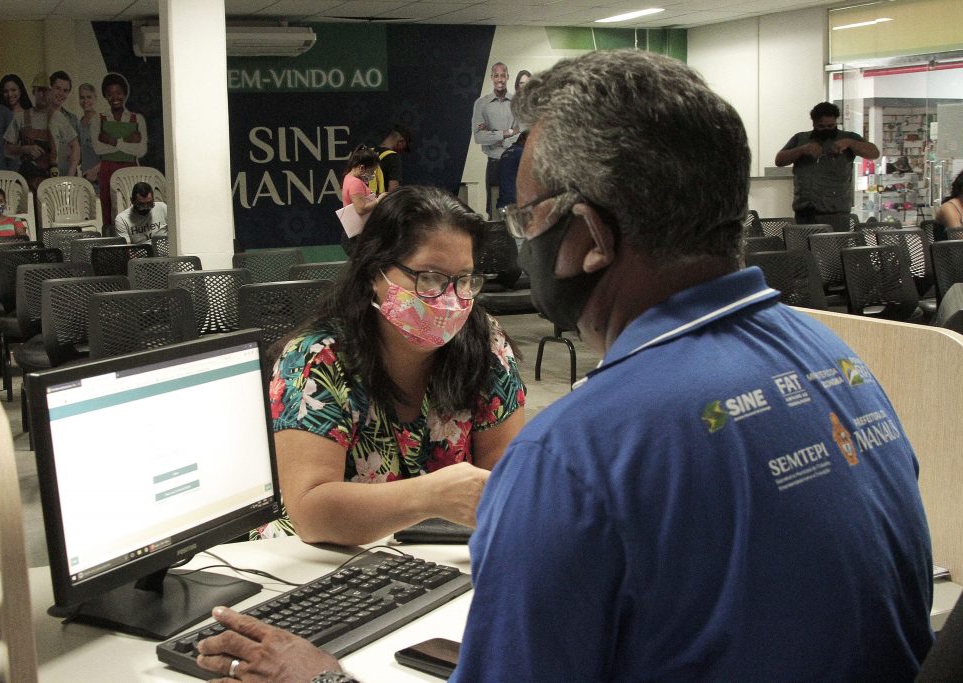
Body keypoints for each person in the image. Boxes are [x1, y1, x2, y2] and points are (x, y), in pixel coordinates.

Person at [196, 50, 934, 683]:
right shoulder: (837, 362)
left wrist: (325, 674)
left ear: (586, 235)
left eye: (525, 218)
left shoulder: (580, 451)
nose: (518, 247)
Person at [251, 184, 525, 546]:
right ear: (373, 273)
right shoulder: (317, 358)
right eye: (428, 278)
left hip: (437, 558)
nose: (450, 298)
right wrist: (429, 496)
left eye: (463, 280)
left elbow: (503, 483)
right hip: (316, 561)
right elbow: (310, 511)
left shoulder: (483, 343)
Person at [775, 101, 879, 231]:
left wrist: (851, 143)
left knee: (835, 248)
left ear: (836, 122)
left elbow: (874, 153)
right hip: (805, 210)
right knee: (804, 249)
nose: (826, 130)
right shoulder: (800, 138)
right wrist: (801, 150)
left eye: (831, 126)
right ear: (813, 123)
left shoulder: (848, 137)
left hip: (836, 211)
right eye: (821, 126)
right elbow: (779, 160)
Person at [91, 72, 148, 229]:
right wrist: (128, 141)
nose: (114, 97)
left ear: (125, 94)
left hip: (130, 168)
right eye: (110, 94)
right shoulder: (99, 118)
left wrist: (112, 140)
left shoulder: (137, 119)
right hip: (107, 168)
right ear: (105, 96)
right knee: (108, 207)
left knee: (131, 206)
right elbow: (98, 148)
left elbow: (140, 150)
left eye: (118, 93)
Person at [3, 72, 74, 193]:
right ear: (33, 91)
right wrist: (25, 149)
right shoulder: (21, 118)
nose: (44, 94)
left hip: (53, 180)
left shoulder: (58, 117)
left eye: (47, 90)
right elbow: (6, 149)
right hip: (27, 179)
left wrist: (71, 175)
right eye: (40, 90)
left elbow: (75, 146)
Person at [472, 62, 519, 219]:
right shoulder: (481, 104)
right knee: (494, 213)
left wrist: (493, 134)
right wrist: (507, 133)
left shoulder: (516, 103)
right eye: (496, 75)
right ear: (491, 77)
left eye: (503, 75)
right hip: (494, 164)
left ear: (508, 77)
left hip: (513, 165)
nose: (500, 79)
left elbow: (521, 134)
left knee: (515, 212)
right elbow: (479, 137)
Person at [46, 71, 81, 177]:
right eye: (58, 88)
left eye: (65, 90)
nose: (61, 93)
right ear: (50, 88)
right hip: (44, 178)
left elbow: (78, 151)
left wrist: (70, 176)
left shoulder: (73, 119)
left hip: (68, 178)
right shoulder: (38, 115)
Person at [368, 124, 411, 195]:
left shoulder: (367, 152)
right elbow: (393, 190)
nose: (402, 151)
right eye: (404, 147)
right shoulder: (393, 157)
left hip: (363, 203)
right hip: (380, 204)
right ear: (400, 141)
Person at [76, 83, 101, 189]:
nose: (85, 101)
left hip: (99, 176)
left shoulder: (102, 121)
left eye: (89, 97)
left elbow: (110, 155)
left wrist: (95, 171)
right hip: (85, 176)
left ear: (95, 98)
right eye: (82, 97)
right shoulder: (79, 123)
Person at [496, 129, 527, 212]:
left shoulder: (505, 153)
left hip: (503, 202)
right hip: (516, 204)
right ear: (524, 139)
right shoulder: (522, 153)